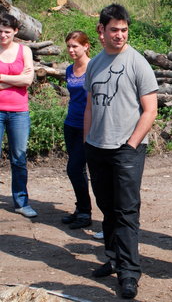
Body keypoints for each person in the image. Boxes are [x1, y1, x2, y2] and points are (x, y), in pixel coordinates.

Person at [84, 4, 158, 299]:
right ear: (101, 31)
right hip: (96, 147)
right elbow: (89, 105)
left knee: (127, 211)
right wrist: (87, 140)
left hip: (127, 148)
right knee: (106, 205)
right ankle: (114, 258)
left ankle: (129, 273)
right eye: (114, 29)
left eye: (124, 30)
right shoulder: (94, 64)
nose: (120, 35)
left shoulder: (137, 62)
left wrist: (131, 145)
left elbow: (150, 110)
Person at [0, 13, 35, 218]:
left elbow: (28, 80)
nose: (3, 35)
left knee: (19, 159)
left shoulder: (25, 50)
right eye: (0, 32)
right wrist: (16, 78)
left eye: (7, 32)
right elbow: (21, 78)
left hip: (19, 112)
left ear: (15, 31)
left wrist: (2, 79)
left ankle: (21, 202)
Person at [61, 31, 92, 230]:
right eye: (69, 46)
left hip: (88, 125)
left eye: (75, 46)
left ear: (86, 46)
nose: (71, 50)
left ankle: (85, 212)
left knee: (75, 168)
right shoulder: (69, 70)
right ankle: (81, 208)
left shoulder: (93, 68)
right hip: (71, 124)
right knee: (76, 170)